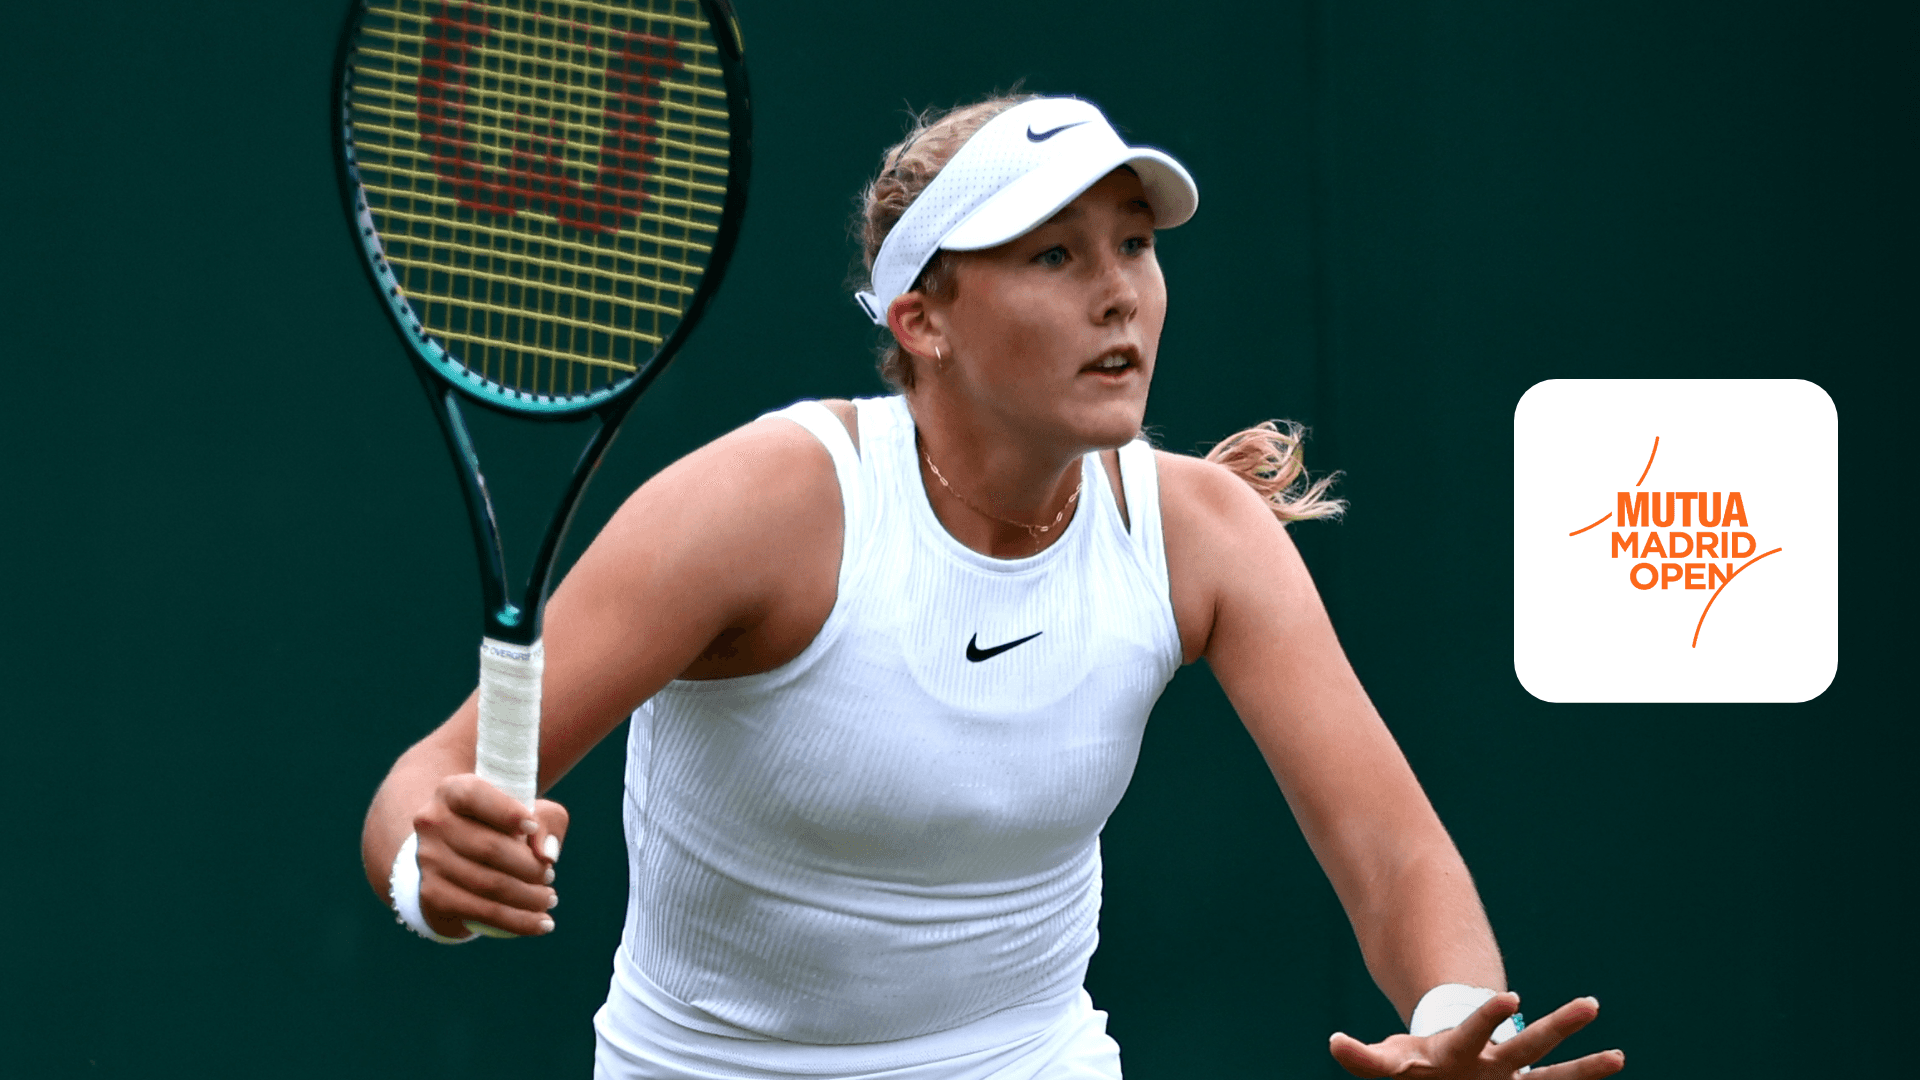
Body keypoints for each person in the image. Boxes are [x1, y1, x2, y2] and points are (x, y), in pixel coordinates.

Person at [361, 94, 1627, 1080]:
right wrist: (433, 873)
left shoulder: (1202, 534)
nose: (1119, 292)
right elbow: (431, 782)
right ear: (925, 319)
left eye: (1135, 245)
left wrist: (1455, 1020)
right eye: (1055, 256)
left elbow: (1394, 854)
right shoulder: (765, 508)